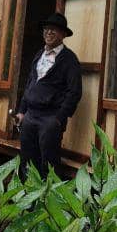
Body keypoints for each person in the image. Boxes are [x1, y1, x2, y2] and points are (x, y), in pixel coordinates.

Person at [15, 13, 82, 180]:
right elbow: (30, 83)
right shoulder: (39, 55)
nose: (49, 32)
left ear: (63, 34)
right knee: (27, 159)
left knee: (49, 161)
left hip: (50, 118)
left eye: (54, 30)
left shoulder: (69, 59)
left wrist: (59, 118)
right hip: (30, 116)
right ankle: (27, 199)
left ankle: (49, 200)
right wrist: (22, 111)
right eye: (46, 29)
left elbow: (74, 92)